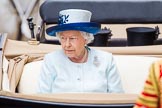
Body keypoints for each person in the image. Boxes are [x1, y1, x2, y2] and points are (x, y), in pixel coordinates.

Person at [37, 9, 124, 93]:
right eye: (63, 38)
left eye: (72, 38)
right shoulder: (51, 60)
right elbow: (42, 98)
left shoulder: (106, 60)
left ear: (86, 39)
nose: (67, 44)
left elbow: (118, 97)